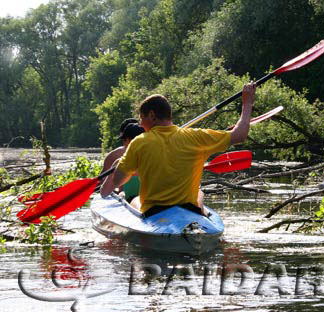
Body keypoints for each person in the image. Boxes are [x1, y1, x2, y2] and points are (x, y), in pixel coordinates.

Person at [101, 83, 256, 217]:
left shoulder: (139, 142)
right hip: (189, 210)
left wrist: (122, 166)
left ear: (152, 115)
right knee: (199, 192)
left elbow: (118, 180)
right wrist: (247, 103)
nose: (140, 124)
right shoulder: (196, 137)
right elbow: (240, 135)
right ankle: (204, 216)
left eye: (142, 118)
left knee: (134, 199)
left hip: (153, 212)